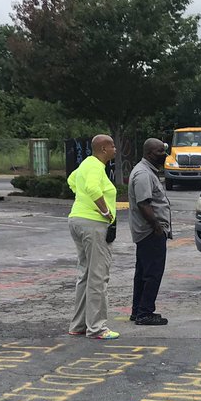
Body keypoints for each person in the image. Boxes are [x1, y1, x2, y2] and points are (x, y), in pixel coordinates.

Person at [67, 134, 119, 340]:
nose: (115, 149)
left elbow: (72, 181)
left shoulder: (85, 164)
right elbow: (91, 188)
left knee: (86, 273)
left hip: (77, 220)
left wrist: (82, 201)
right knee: (98, 276)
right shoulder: (96, 167)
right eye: (113, 146)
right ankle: (97, 327)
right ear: (103, 149)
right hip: (93, 225)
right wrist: (106, 212)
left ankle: (79, 324)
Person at [128, 138, 171, 325]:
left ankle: (138, 311)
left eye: (164, 150)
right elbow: (143, 203)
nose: (164, 155)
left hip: (147, 231)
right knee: (152, 273)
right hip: (149, 232)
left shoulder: (147, 170)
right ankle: (145, 313)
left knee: (143, 272)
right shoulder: (143, 174)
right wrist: (157, 227)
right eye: (160, 152)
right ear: (148, 154)